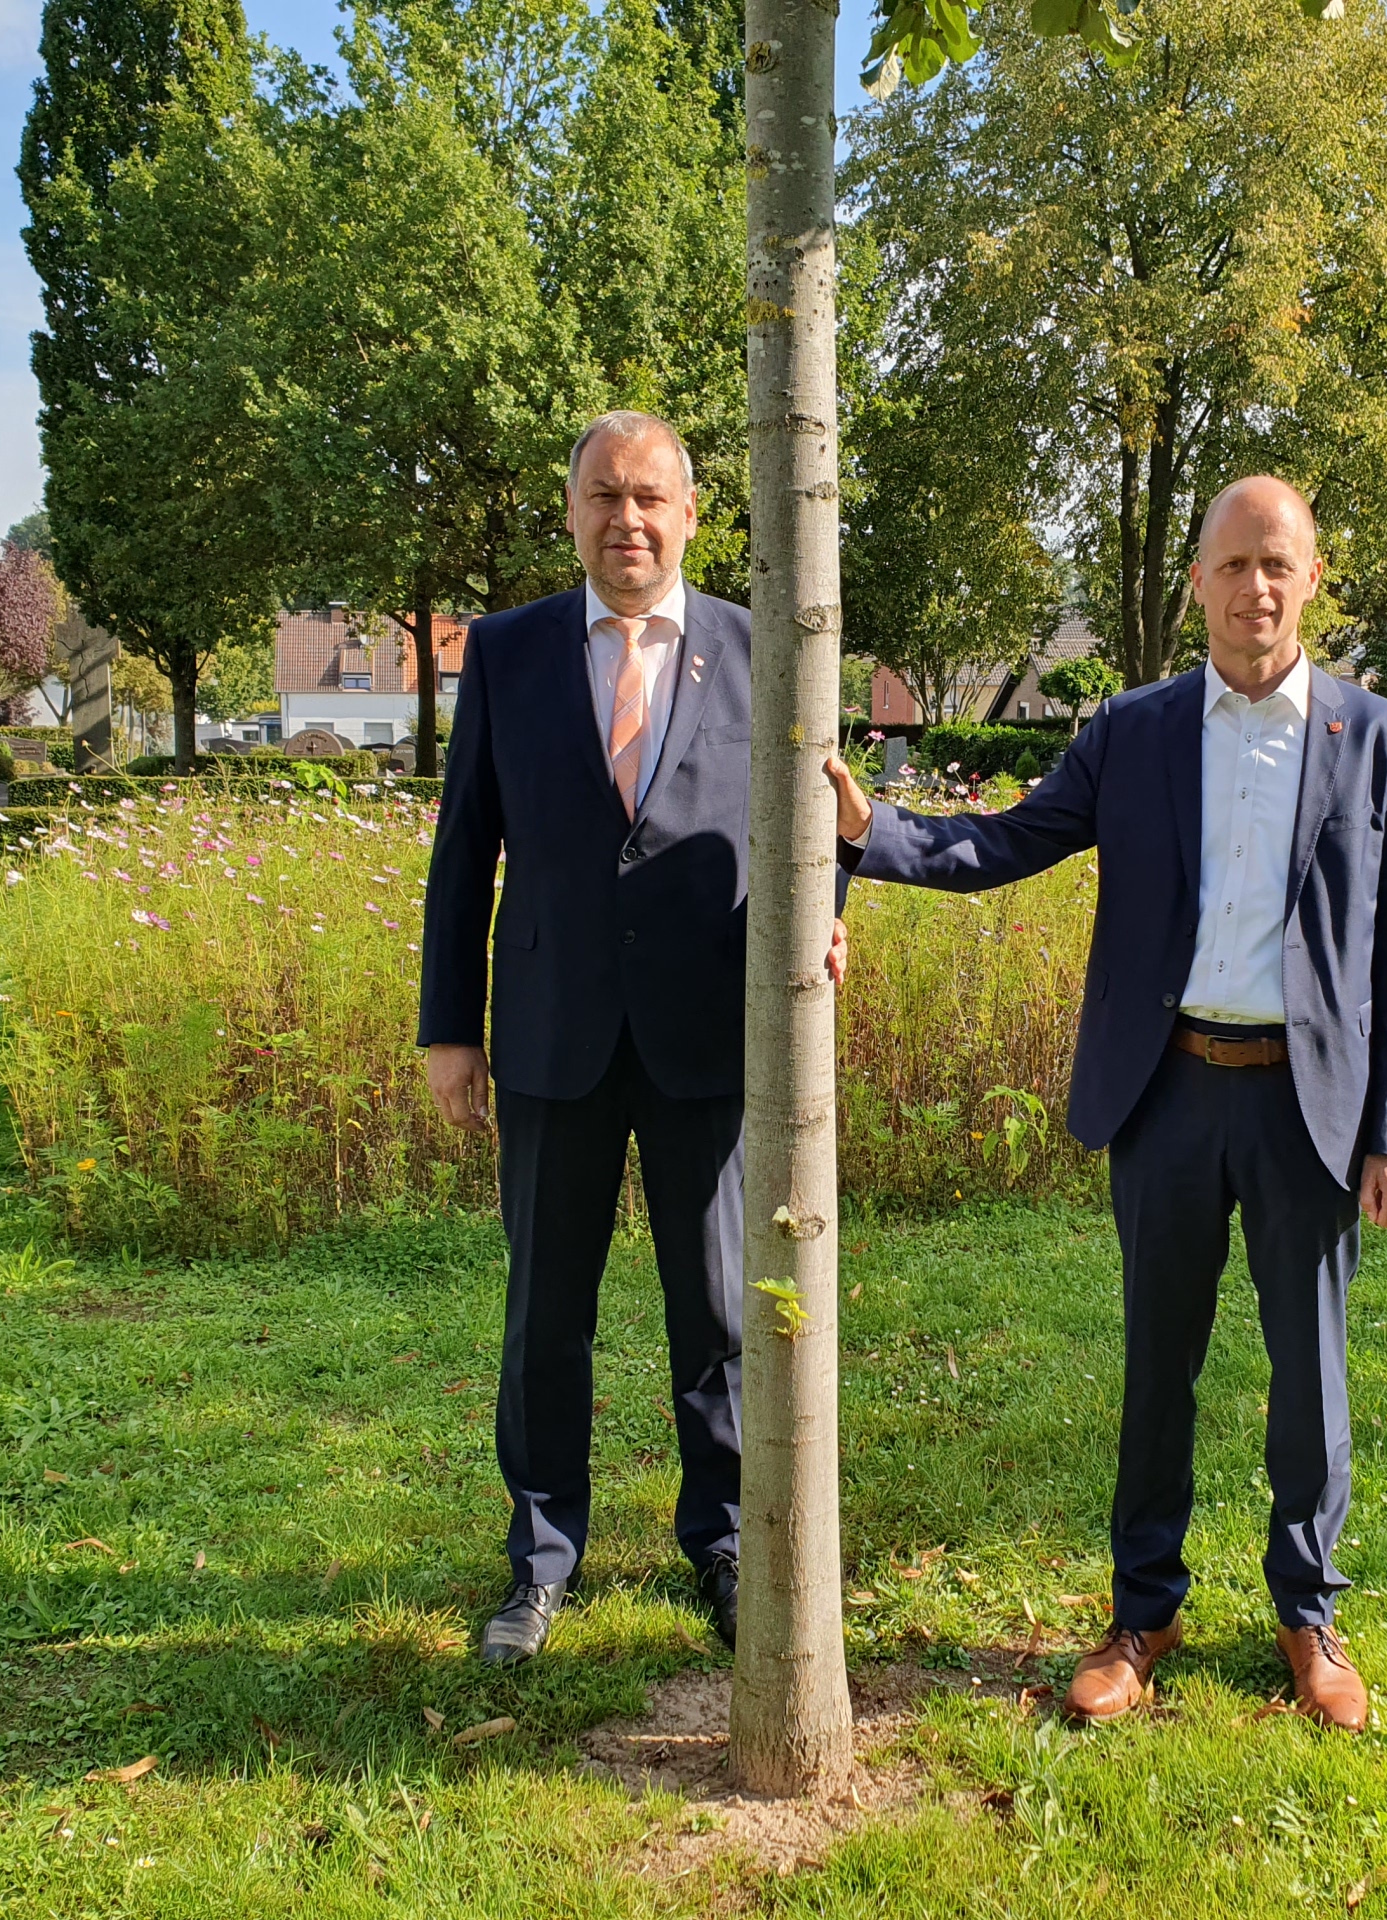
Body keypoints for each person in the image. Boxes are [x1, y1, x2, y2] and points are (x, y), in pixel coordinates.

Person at [824, 476, 1387, 1730]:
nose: (1254, 589)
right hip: (1165, 1098)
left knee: (1308, 1378)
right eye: (1231, 566)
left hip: (1308, 1112)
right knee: (1157, 1366)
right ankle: (1143, 1611)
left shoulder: (1385, 741)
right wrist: (874, 830)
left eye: (1278, 565)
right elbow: (1011, 841)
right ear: (1198, 583)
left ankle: (1307, 1615)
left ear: (1312, 578)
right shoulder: (1136, 730)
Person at [420, 410, 848, 1665]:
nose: (628, 519)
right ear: (571, 511)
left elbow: (815, 817)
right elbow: (464, 857)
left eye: (652, 497)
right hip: (552, 1036)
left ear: (693, 514)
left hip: (707, 1036)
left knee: (713, 1311)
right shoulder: (504, 654)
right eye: (605, 495)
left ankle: (719, 1547)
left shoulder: (763, 649)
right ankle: (539, 1559)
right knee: (545, 1315)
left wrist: (824, 921)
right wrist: (451, 1027)